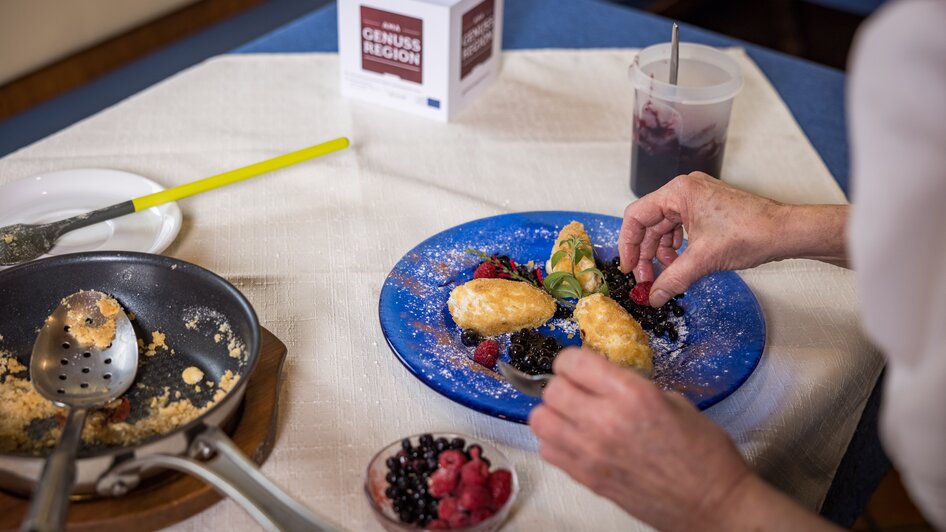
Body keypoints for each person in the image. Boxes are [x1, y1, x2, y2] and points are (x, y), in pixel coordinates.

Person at [528, 1, 946, 530]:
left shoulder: (918, 56)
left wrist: (718, 500)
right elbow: (931, 231)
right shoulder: (915, 43)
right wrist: (780, 224)